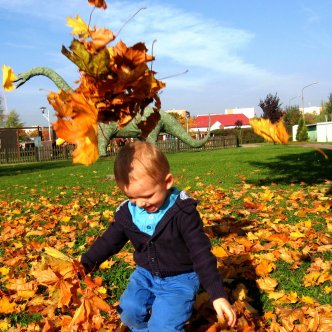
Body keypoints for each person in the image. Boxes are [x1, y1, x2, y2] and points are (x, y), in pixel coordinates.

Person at [81, 141, 236, 331]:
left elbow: (200, 252)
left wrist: (217, 293)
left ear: (167, 182)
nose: (140, 204)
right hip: (145, 274)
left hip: (180, 279)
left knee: (163, 326)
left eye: (147, 196)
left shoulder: (182, 212)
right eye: (132, 197)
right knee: (128, 311)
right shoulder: (129, 214)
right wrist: (84, 264)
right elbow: (108, 242)